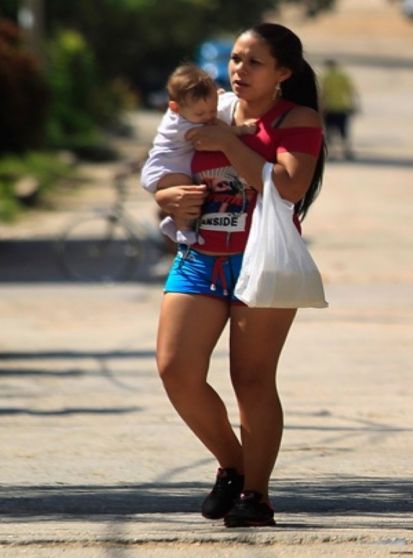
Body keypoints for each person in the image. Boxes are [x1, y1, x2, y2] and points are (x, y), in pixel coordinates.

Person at [149, 22, 326, 528]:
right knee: (175, 368)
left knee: (250, 379)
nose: (238, 70)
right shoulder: (206, 106)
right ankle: (234, 464)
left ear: (282, 73)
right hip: (199, 257)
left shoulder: (297, 119)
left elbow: (289, 186)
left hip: (263, 261)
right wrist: (167, 196)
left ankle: (257, 495)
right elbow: (163, 164)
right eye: (235, 59)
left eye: (254, 62)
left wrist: (228, 143)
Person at [140, 64, 256, 246]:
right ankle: (183, 229)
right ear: (175, 108)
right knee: (190, 193)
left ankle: (172, 223)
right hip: (167, 167)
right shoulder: (182, 125)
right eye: (201, 113)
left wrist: (215, 100)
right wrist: (240, 130)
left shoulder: (189, 111)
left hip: (175, 163)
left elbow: (210, 114)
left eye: (213, 109)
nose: (209, 116)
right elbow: (215, 133)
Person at [319, 59, 359, 159]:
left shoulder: (325, 77)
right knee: (344, 130)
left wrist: (321, 107)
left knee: (329, 131)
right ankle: (346, 151)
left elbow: (323, 92)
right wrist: (353, 104)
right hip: (342, 107)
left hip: (329, 108)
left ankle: (331, 152)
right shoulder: (343, 76)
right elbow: (350, 91)